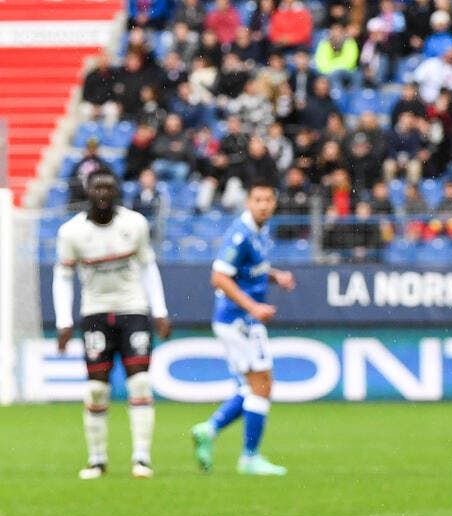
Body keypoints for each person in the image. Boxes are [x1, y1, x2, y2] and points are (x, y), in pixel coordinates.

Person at [53, 168, 171, 479]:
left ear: (117, 191)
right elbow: (63, 277)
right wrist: (64, 321)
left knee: (140, 383)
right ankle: (97, 460)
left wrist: (159, 310)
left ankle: (142, 458)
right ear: (88, 192)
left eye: (109, 188)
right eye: (98, 188)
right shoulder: (71, 232)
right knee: (96, 389)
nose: (103, 194)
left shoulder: (135, 224)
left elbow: (148, 267)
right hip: (95, 312)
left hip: (133, 309)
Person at [190, 181, 296, 476]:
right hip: (239, 321)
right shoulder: (241, 234)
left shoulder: (259, 232)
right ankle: (249, 458)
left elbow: (250, 270)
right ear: (248, 202)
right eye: (257, 199)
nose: (263, 205)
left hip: (240, 320)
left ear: (274, 204)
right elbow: (219, 277)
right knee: (262, 385)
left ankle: (208, 429)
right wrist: (253, 307)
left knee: (252, 387)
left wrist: (275, 276)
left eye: (268, 199)